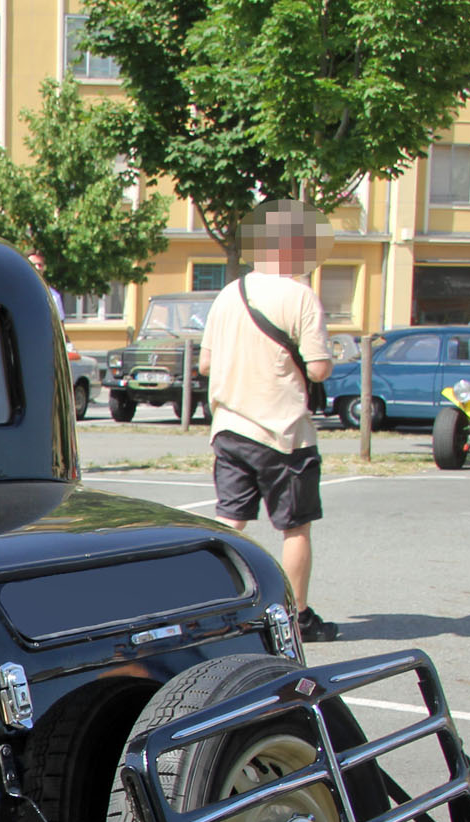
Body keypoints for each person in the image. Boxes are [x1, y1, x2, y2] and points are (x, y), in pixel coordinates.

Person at [198, 200, 339, 643]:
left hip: (229, 426)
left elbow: (204, 364)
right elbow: (317, 369)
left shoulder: (227, 294)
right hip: (282, 432)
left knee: (229, 522)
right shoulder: (300, 296)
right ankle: (298, 618)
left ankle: (213, 609)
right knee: (294, 527)